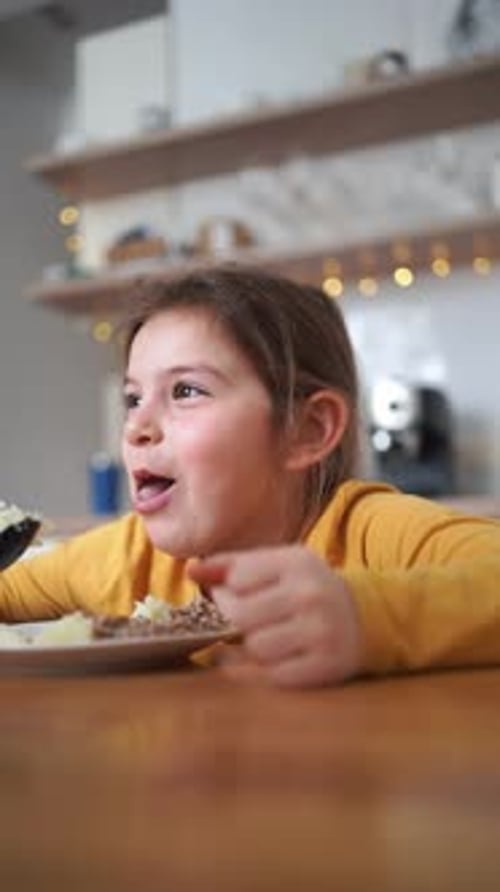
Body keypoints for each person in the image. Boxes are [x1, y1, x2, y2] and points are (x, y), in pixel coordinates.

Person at [1, 265, 500, 687]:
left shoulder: (371, 532)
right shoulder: (128, 558)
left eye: (186, 391)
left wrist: (365, 617)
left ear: (307, 429)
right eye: (133, 398)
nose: (135, 428)